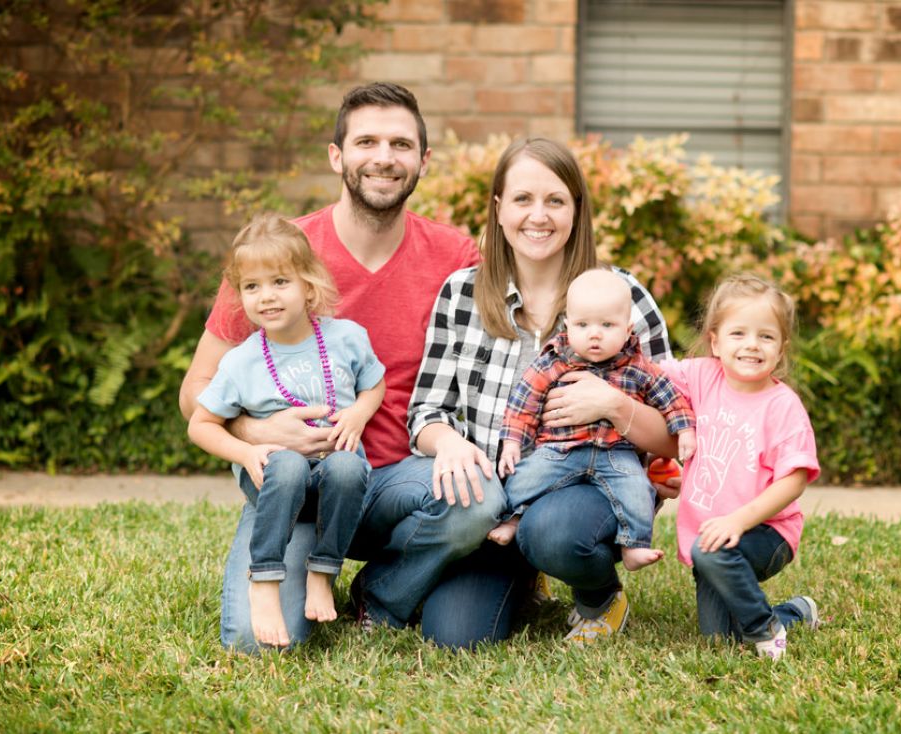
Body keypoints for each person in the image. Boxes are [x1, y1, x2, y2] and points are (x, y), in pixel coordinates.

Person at [178, 82, 501, 653]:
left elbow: (494, 367)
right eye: (366, 141)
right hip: (303, 488)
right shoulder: (276, 257)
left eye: (401, 144)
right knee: (256, 645)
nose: (383, 157)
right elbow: (196, 392)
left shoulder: (454, 255)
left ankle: (381, 590)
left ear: (423, 161)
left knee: (476, 500)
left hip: (404, 480)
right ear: (337, 156)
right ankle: (305, 569)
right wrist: (256, 433)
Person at [407, 137, 680, 648]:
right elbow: (426, 409)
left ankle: (598, 593)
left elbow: (677, 435)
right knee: (453, 636)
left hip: (586, 492)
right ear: (498, 209)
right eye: (523, 199)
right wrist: (448, 443)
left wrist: (614, 406)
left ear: (577, 209)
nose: (539, 215)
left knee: (553, 532)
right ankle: (523, 577)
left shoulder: (622, 297)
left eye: (555, 200)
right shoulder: (461, 294)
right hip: (491, 506)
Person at [187, 214, 385, 648]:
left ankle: (323, 570)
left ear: (308, 284)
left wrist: (358, 415)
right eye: (252, 286)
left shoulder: (346, 337)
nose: (266, 297)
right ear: (239, 296)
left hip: (333, 481)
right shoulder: (242, 361)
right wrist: (244, 453)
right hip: (277, 483)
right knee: (291, 465)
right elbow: (200, 425)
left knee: (349, 467)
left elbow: (374, 384)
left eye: (280, 281)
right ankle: (264, 579)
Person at [488, 267, 696, 572]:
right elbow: (525, 398)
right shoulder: (555, 360)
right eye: (583, 324)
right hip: (561, 449)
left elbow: (671, 398)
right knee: (524, 477)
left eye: (607, 325)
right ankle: (514, 518)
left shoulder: (638, 366)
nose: (594, 334)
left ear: (627, 330)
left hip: (617, 453)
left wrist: (686, 429)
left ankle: (633, 545)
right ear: (568, 325)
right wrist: (512, 440)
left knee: (639, 491)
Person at [659, 273, 821, 660]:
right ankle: (794, 612)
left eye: (766, 336)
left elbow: (794, 481)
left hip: (766, 531)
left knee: (712, 553)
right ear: (715, 341)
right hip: (712, 536)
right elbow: (648, 376)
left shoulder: (783, 407)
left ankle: (763, 629)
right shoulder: (702, 376)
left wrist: (739, 521)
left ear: (781, 349)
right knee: (719, 640)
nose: (752, 345)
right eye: (738, 334)